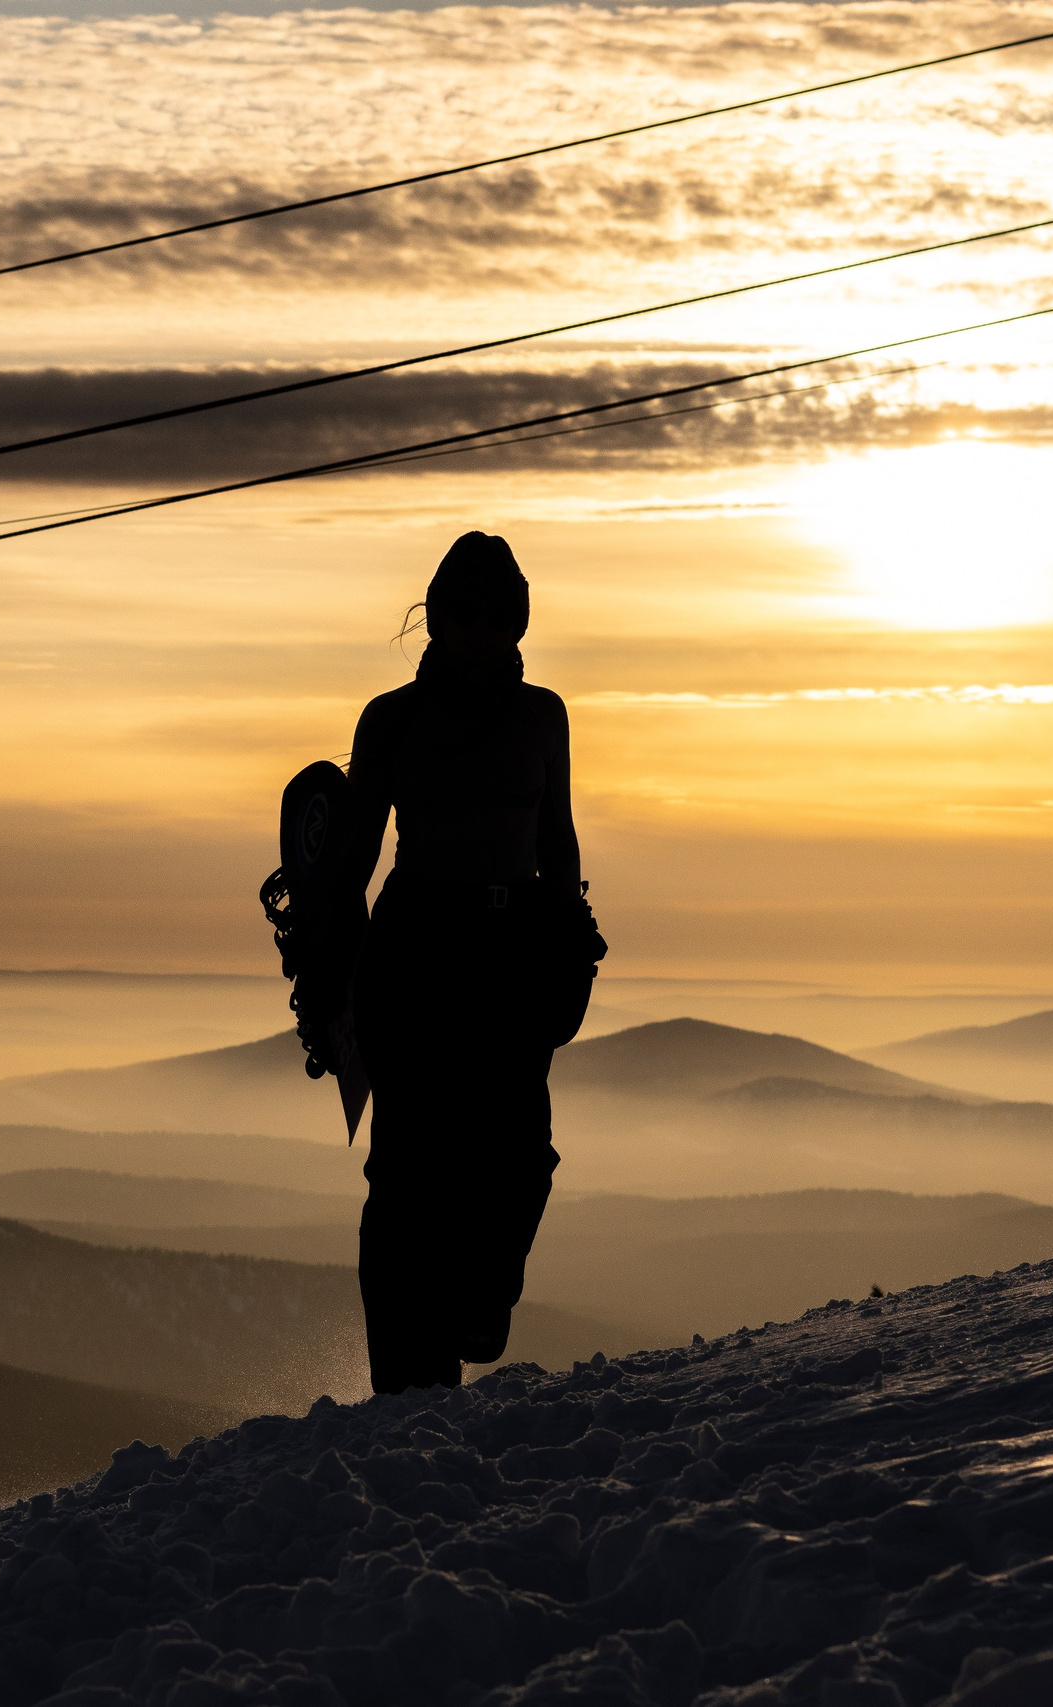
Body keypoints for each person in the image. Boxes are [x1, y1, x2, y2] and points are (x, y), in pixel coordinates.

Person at [339, 531, 599, 1394]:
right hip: (415, 948)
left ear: (519, 616)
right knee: (408, 1170)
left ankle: (478, 1304)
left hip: (511, 945)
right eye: (464, 610)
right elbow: (351, 859)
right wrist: (330, 958)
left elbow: (556, 837)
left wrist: (571, 938)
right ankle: (407, 1383)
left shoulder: (543, 715)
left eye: (499, 611)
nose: (482, 627)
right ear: (437, 615)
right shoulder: (392, 719)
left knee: (521, 1154)